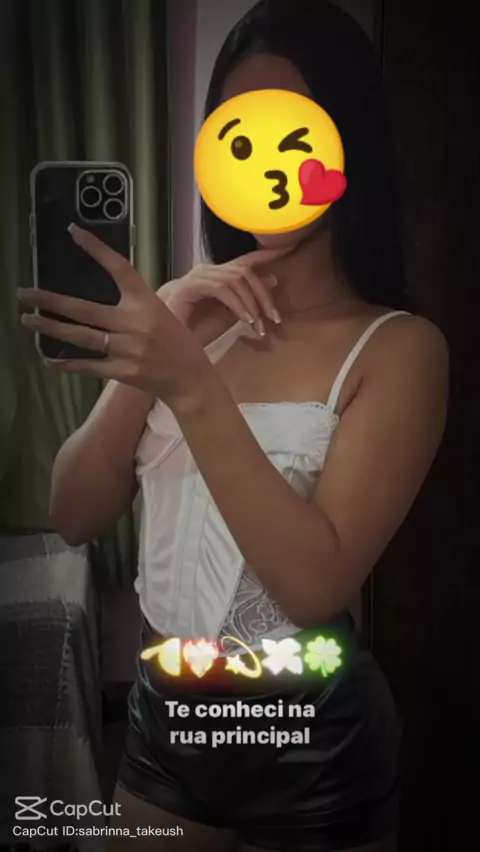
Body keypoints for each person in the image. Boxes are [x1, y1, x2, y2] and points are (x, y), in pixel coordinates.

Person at [18, 1, 448, 850]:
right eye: (237, 138)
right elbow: (71, 512)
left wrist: (189, 384)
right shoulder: (192, 320)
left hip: (312, 751)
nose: (262, 164)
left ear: (347, 146)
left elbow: (312, 585)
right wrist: (165, 341)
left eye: (290, 135)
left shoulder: (400, 348)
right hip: (162, 728)